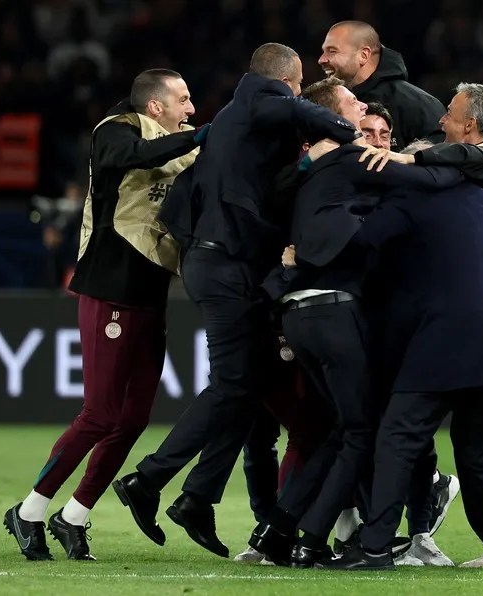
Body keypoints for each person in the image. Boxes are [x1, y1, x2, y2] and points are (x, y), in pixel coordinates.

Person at [113, 43, 360, 558]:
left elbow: (268, 186)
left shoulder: (240, 123)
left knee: (243, 389)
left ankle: (197, 498)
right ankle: (148, 479)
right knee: (230, 385)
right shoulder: (259, 99)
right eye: (296, 90)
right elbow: (295, 113)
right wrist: (338, 133)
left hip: (222, 263)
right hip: (223, 263)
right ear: (289, 83)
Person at [247, 78, 464, 568]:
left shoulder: (318, 171)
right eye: (353, 107)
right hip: (334, 310)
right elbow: (427, 184)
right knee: (365, 431)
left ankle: (278, 531)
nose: (364, 114)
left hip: (301, 313)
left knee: (341, 429)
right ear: (335, 120)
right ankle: (311, 537)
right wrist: (471, 162)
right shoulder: (350, 156)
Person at [319, 141, 483, 571]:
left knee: (396, 436)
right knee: (481, 449)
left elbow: (360, 245)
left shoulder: (410, 198)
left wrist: (304, 251)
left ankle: (374, 548)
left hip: (445, 338)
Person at [3, 68, 205, 561]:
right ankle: (28, 511)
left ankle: (74, 516)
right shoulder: (116, 129)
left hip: (151, 292)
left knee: (133, 418)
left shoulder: (187, 145)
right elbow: (127, 158)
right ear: (154, 106)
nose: (192, 109)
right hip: (108, 289)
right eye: (183, 99)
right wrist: (201, 137)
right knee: (100, 414)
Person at [319, 21, 444, 149]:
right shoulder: (326, 103)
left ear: (363, 55)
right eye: (324, 51)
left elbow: (441, 161)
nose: (321, 59)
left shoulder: (419, 105)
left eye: (332, 51)